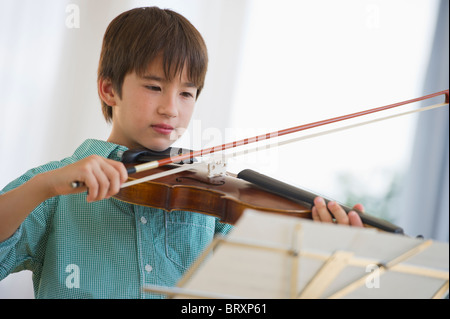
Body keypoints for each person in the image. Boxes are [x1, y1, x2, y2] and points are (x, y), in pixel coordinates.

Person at [0, 7, 363, 299]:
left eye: (187, 93)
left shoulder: (207, 198)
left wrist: (324, 242)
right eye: (155, 86)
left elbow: (257, 287)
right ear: (109, 90)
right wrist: (44, 187)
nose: (171, 109)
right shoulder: (56, 189)